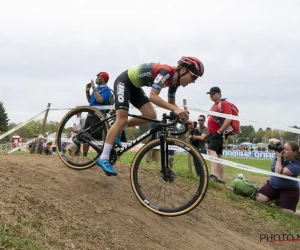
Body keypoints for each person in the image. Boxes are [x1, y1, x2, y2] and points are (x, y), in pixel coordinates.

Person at [97, 56, 204, 176]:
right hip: (124, 82)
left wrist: (185, 119)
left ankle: (118, 130)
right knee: (122, 119)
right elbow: (153, 96)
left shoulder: (174, 82)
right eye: (194, 76)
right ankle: (104, 157)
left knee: (151, 115)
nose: (194, 80)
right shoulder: (166, 72)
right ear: (184, 70)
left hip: (134, 87)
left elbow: (172, 105)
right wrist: (175, 109)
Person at [256, 139, 300, 217]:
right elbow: (270, 142)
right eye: (283, 148)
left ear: (294, 152)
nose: (283, 150)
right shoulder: (281, 154)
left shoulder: (296, 165)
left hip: (288, 189)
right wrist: (274, 141)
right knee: (259, 200)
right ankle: (277, 200)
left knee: (287, 213)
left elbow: (279, 172)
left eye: (287, 149)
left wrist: (279, 158)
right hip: (273, 185)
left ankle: (284, 204)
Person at [83, 72, 116, 157]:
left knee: (97, 139)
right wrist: (87, 91)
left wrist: (93, 87)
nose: (97, 78)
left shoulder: (106, 90)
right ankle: (84, 156)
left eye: (99, 77)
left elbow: (100, 100)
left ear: (103, 79)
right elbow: (90, 101)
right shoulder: (96, 89)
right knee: (84, 136)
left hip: (98, 116)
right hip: (90, 115)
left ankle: (100, 156)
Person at [206, 86, 232, 184]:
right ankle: (221, 180)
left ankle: (213, 174)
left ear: (219, 94)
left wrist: (220, 131)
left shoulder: (223, 103)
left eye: (213, 94)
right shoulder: (214, 106)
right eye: (210, 94)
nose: (211, 96)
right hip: (213, 132)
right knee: (219, 156)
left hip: (217, 132)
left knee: (211, 150)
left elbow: (229, 118)